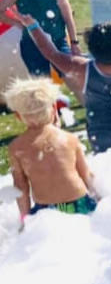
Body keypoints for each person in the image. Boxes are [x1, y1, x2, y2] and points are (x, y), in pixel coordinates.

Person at [17, 14, 111, 153]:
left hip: (99, 137)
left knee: (106, 168)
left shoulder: (82, 68)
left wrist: (33, 26)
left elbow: (50, 53)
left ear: (92, 50)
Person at [5, 78, 96, 222]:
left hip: (47, 211)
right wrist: (99, 199)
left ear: (18, 116)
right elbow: (86, 176)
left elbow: (21, 187)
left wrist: (24, 219)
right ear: (54, 108)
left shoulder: (17, 148)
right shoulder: (69, 138)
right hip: (80, 203)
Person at [0, 0, 80, 77]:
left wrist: (74, 43)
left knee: (71, 76)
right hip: (31, 44)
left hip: (57, 42)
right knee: (42, 81)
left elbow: (68, 18)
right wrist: (17, 23)